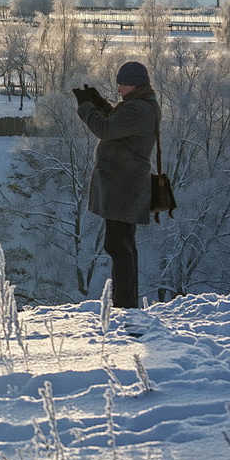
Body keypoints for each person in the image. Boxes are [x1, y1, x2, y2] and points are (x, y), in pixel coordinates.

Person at [72, 61, 160, 309]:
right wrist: (100, 104)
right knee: (123, 245)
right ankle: (125, 301)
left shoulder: (138, 109)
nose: (119, 89)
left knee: (118, 246)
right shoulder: (140, 104)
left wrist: (86, 107)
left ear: (135, 85)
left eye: (122, 84)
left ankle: (125, 304)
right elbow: (117, 122)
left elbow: (105, 128)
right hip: (125, 185)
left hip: (124, 186)